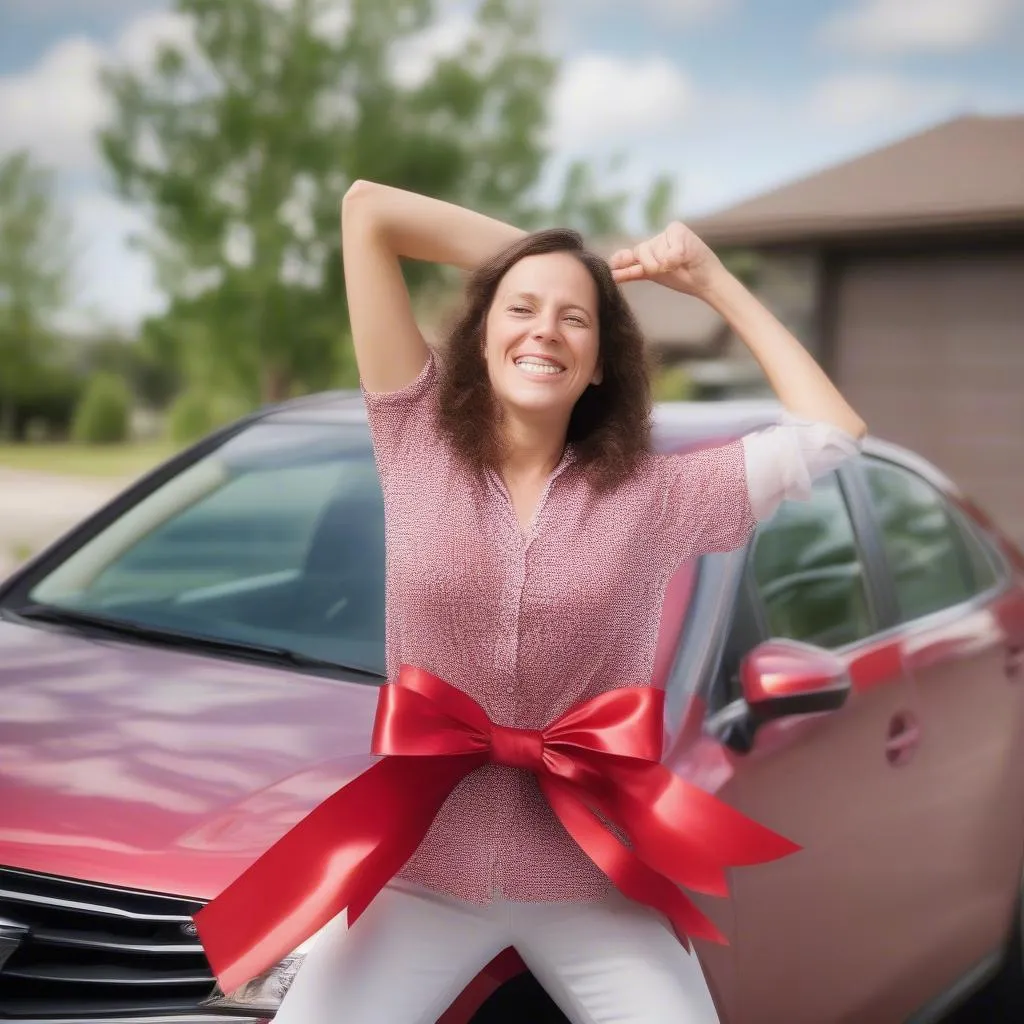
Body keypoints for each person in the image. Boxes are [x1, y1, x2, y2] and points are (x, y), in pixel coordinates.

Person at [272, 181, 867, 1024]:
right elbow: (368, 211)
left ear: (598, 366)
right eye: (519, 309)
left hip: (592, 875)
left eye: (574, 322)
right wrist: (569, 271)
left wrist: (710, 281)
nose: (544, 329)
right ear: (481, 335)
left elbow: (831, 433)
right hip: (424, 872)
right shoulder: (414, 440)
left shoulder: (658, 495)